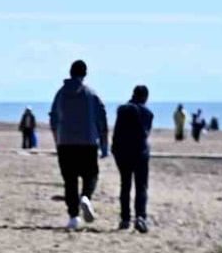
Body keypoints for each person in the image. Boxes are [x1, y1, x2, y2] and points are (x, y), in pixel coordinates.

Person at [49, 59, 109, 230]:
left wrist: (57, 141)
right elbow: (102, 120)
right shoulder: (91, 94)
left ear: (70, 73)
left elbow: (53, 120)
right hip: (88, 142)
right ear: (85, 74)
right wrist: (104, 145)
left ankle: (73, 216)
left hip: (65, 142)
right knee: (91, 174)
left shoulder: (60, 94)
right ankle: (86, 196)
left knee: (69, 180)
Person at [112, 85, 154, 234]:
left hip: (122, 153)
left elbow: (117, 132)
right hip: (140, 153)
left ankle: (125, 219)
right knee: (141, 186)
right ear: (145, 97)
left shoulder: (122, 109)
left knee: (125, 185)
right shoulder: (147, 113)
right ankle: (140, 217)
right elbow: (145, 133)